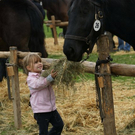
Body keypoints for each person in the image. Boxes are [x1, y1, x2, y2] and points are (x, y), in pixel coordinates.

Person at [23, 54, 64, 135]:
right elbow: (39, 84)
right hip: (41, 111)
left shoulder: (45, 73)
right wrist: (49, 78)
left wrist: (55, 77)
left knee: (59, 125)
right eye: (35, 62)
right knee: (43, 132)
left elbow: (49, 82)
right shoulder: (31, 79)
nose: (39, 63)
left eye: (40, 61)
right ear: (29, 67)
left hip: (52, 108)